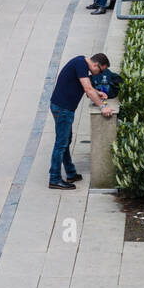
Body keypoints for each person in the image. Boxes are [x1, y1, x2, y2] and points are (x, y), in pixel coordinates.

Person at [48, 51, 113, 189]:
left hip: (63, 107)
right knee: (61, 143)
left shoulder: (80, 63)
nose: (99, 74)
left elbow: (89, 88)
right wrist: (102, 107)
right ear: (96, 65)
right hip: (63, 109)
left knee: (66, 140)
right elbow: (87, 89)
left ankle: (70, 173)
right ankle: (54, 178)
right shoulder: (81, 64)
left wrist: (97, 92)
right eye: (100, 70)